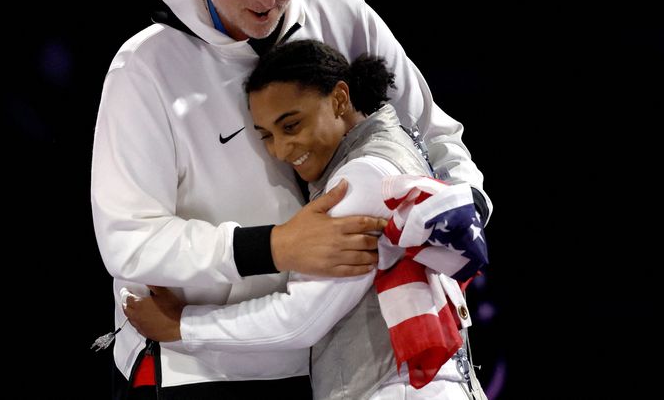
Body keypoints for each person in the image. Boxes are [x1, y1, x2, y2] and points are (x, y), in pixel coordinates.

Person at [91, 0, 491, 399]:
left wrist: (463, 220)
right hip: (207, 370)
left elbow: (438, 141)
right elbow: (128, 240)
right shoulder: (143, 68)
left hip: (347, 360)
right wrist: (273, 246)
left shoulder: (349, 19)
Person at [123, 40, 488, 399]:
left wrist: (181, 325)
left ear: (340, 99)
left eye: (292, 125)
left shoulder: (360, 180)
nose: (281, 150)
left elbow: (301, 318)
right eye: (266, 135)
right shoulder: (394, 145)